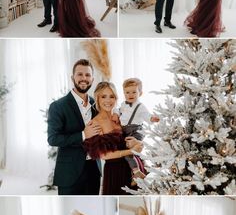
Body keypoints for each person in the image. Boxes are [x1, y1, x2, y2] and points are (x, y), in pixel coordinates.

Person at [47, 59, 101, 195]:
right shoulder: (58, 106)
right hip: (69, 173)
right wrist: (83, 135)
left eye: (88, 75)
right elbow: (53, 139)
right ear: (72, 77)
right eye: (80, 74)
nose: (84, 78)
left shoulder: (97, 105)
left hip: (94, 170)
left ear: (93, 79)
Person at [84, 82, 143, 195]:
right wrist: (131, 151)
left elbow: (136, 133)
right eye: (103, 96)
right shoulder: (95, 123)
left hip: (134, 169)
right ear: (97, 98)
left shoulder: (122, 117)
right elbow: (104, 155)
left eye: (112, 96)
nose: (108, 100)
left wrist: (138, 143)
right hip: (115, 172)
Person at [113, 78, 159, 186]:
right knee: (131, 150)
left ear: (140, 93)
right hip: (126, 131)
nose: (130, 94)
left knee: (129, 150)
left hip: (136, 131)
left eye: (134, 92)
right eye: (127, 92)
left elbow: (147, 116)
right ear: (124, 93)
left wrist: (152, 118)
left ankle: (136, 171)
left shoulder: (140, 106)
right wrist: (115, 114)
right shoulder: (124, 104)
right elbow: (118, 110)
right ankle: (144, 166)